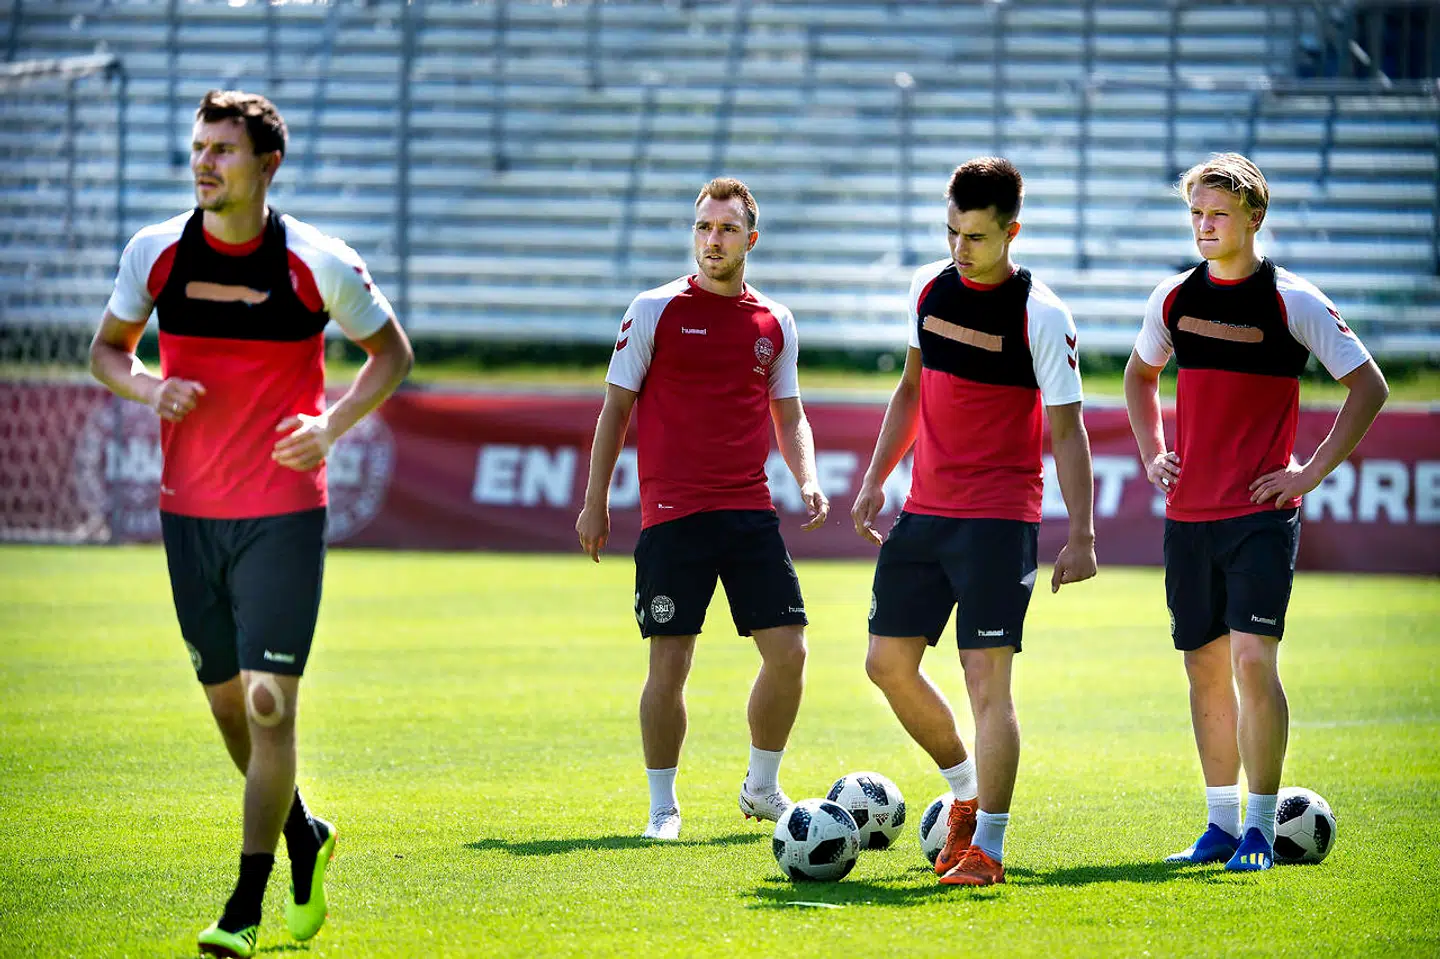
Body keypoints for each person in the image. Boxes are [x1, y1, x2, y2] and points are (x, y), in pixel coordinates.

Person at [89, 90, 413, 957]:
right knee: (230, 705)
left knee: (270, 704)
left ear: (267, 164)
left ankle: (245, 903)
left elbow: (392, 354)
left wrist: (331, 424)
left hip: (282, 516)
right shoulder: (154, 252)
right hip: (187, 515)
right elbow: (105, 351)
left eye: (222, 150)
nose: (204, 163)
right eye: (197, 148)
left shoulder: (317, 261)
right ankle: (304, 833)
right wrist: (153, 386)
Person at [1123, 152, 1387, 872]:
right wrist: (1153, 452)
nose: (1205, 227)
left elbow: (1369, 386)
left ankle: (1262, 830)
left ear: (1253, 217)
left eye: (1217, 215)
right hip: (1188, 516)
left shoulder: (1292, 302)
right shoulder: (1173, 298)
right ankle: (1217, 825)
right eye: (1196, 215)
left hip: (1261, 516)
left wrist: (1311, 469)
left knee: (1250, 660)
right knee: (1203, 668)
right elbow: (1139, 374)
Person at [850, 157, 1096, 887]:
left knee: (986, 680)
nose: (961, 247)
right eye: (952, 230)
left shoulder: (1041, 313)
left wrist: (1081, 532)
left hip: (997, 520)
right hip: (923, 512)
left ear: (1011, 230)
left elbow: (1069, 430)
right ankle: (963, 792)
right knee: (885, 663)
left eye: (978, 236)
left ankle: (987, 845)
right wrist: (874, 480)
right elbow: (908, 392)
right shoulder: (927, 287)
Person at [575, 177, 829, 841]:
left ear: (751, 237)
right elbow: (615, 410)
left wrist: (806, 476)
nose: (711, 240)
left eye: (725, 229)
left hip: (748, 512)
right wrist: (594, 501)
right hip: (672, 513)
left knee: (790, 652)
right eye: (703, 228)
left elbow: (790, 412)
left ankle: (762, 785)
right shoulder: (654, 309)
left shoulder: (775, 321)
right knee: (670, 665)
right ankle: (663, 808)